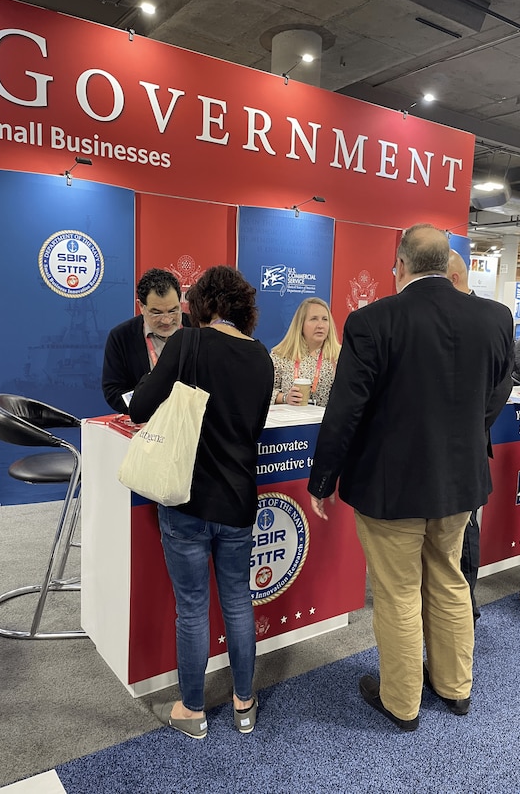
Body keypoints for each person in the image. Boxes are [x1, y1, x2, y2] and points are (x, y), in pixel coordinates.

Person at [308, 223, 514, 732]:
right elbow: (498, 392)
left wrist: (322, 479)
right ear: (448, 265)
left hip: (390, 486)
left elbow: (346, 409)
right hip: (461, 482)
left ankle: (402, 703)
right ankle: (454, 687)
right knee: (447, 578)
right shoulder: (495, 317)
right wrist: (468, 437)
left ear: (399, 265)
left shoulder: (373, 320)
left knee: (398, 591)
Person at [128, 265, 274, 739]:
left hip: (186, 499)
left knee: (192, 608)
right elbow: (251, 428)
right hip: (238, 501)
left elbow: (139, 406)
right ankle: (244, 703)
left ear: (203, 304)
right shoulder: (262, 358)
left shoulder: (188, 343)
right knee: (237, 601)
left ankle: (192, 710)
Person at [101, 268, 190, 413]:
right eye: (157, 313)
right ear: (141, 306)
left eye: (173, 310)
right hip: (147, 424)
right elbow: (113, 391)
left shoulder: (198, 329)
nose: (167, 320)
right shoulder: (121, 337)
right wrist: (142, 407)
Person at [447, 249, 481, 625]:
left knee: (464, 535)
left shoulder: (489, 317)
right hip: (438, 452)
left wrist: (470, 425)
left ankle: (467, 603)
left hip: (466, 447)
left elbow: (499, 387)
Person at [270, 297, 341, 407]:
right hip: (290, 420)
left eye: (325, 319)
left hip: (326, 422)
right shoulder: (281, 355)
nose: (320, 325)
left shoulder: (339, 356)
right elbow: (263, 391)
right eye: (314, 319)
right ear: (301, 324)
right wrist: (285, 398)